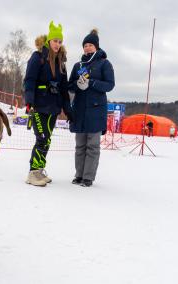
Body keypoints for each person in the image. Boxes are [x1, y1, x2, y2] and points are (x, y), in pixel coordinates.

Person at [23, 21, 73, 187]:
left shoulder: (61, 63)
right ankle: (33, 173)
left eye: (60, 41)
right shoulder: (38, 57)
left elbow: (64, 89)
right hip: (39, 105)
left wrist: (68, 110)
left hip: (53, 108)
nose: (57, 44)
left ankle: (39, 169)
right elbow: (29, 80)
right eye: (55, 40)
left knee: (47, 139)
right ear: (48, 41)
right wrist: (29, 101)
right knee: (42, 138)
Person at [68, 29, 115, 187]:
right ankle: (79, 175)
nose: (87, 47)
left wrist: (92, 83)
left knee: (92, 146)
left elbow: (110, 85)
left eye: (90, 45)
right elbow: (70, 86)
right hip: (79, 111)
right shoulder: (78, 65)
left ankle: (88, 177)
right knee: (80, 145)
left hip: (96, 111)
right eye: (85, 45)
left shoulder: (104, 63)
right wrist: (77, 85)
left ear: (96, 47)